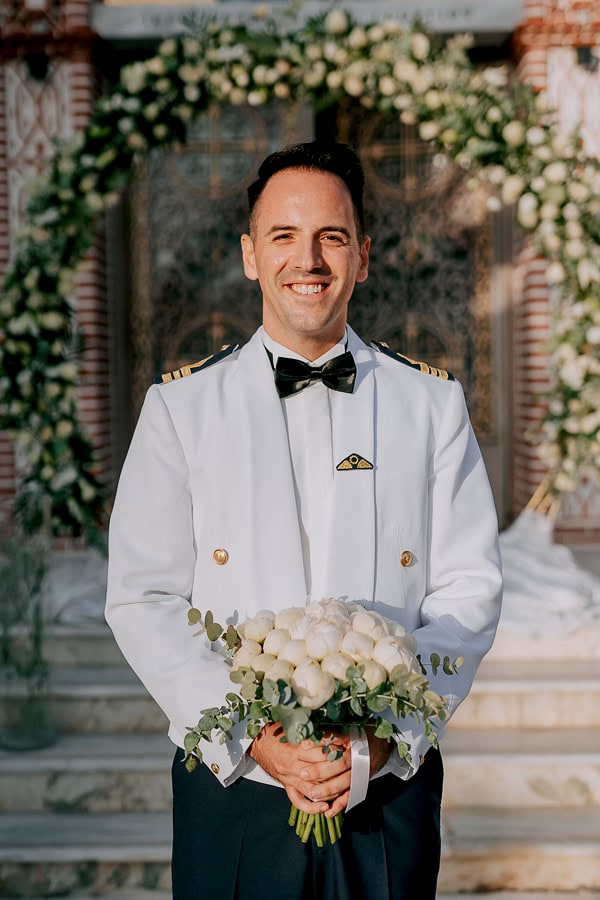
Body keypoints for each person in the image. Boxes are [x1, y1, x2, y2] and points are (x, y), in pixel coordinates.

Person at [105, 141, 502, 899]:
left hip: (388, 793)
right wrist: (256, 738)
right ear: (251, 255)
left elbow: (469, 590)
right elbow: (141, 598)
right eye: (284, 236)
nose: (308, 260)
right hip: (235, 789)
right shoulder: (180, 409)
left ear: (362, 256)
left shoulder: (431, 406)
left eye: (332, 237)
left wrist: (388, 738)